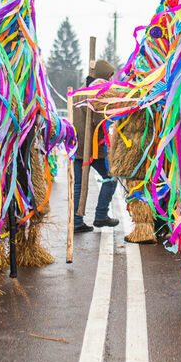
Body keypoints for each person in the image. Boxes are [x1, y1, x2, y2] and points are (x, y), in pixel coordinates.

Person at [72, 60, 118, 234]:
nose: (112, 79)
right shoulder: (96, 93)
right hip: (92, 147)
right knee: (111, 178)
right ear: (105, 76)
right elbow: (100, 120)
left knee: (78, 185)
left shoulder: (80, 90)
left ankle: (77, 222)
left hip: (76, 146)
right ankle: (100, 215)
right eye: (111, 76)